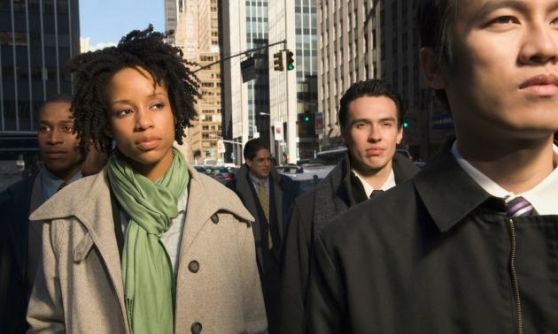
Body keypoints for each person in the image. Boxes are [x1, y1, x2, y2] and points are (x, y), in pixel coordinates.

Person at [308, 0, 558, 332]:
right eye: (505, 19)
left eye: (557, 19)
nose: (544, 46)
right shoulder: (351, 249)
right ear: (434, 66)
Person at [26, 26, 266, 334]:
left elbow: (253, 322)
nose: (143, 122)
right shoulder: (67, 216)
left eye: (156, 105)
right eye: (125, 111)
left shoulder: (227, 211)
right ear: (108, 124)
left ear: (175, 109)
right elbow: (45, 322)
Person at [279, 79, 418, 334]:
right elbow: (292, 308)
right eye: (361, 124)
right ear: (344, 132)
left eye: (386, 124)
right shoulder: (307, 212)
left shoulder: (431, 200)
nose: (375, 136)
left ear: (399, 132)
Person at [0, 95, 86, 333]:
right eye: (44, 128)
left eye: (67, 128)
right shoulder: (10, 204)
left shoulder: (108, 200)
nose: (53, 139)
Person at [227, 138, 297, 333]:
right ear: (248, 162)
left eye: (269, 159)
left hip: (281, 257)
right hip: (251, 261)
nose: (267, 164)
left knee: (282, 312)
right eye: (260, 160)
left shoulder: (286, 185)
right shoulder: (234, 190)